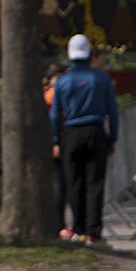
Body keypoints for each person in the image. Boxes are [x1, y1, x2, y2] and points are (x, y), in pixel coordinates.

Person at [51, 33, 118, 246]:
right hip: (95, 130)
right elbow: (113, 112)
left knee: (74, 182)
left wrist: (56, 139)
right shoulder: (101, 79)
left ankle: (78, 228)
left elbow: (54, 114)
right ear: (89, 54)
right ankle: (94, 231)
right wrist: (112, 138)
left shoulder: (63, 81)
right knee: (95, 183)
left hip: (71, 133)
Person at [41, 63, 67, 232]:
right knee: (61, 187)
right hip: (56, 145)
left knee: (59, 187)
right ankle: (59, 224)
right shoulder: (53, 96)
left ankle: (59, 223)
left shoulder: (45, 94)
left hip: (52, 144)